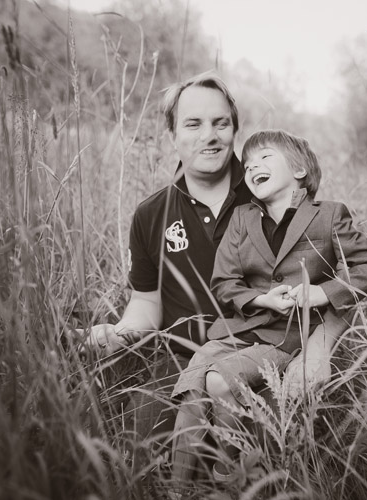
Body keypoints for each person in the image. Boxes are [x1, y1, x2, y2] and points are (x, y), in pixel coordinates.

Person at [170, 129, 367, 484]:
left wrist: (322, 293)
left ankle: (227, 474)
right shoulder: (242, 218)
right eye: (249, 162)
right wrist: (260, 298)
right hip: (236, 330)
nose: (253, 164)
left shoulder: (328, 215)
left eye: (265, 157)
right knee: (193, 384)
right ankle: (176, 486)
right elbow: (223, 282)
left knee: (219, 382)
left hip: (282, 339)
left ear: (299, 168)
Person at [73, 71, 252, 438]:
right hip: (179, 361)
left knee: (268, 455)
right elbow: (146, 303)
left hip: (258, 359)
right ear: (173, 137)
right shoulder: (151, 214)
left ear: (234, 130)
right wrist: (118, 333)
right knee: (141, 440)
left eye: (221, 123)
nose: (209, 135)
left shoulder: (267, 198)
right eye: (193, 124)